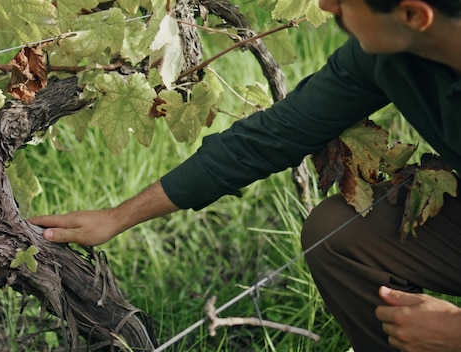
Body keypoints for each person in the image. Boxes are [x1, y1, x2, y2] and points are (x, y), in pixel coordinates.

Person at [30, 0, 461, 350]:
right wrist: (118, 216)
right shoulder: (386, 55)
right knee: (339, 235)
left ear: (413, 15)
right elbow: (273, 136)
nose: (327, 4)